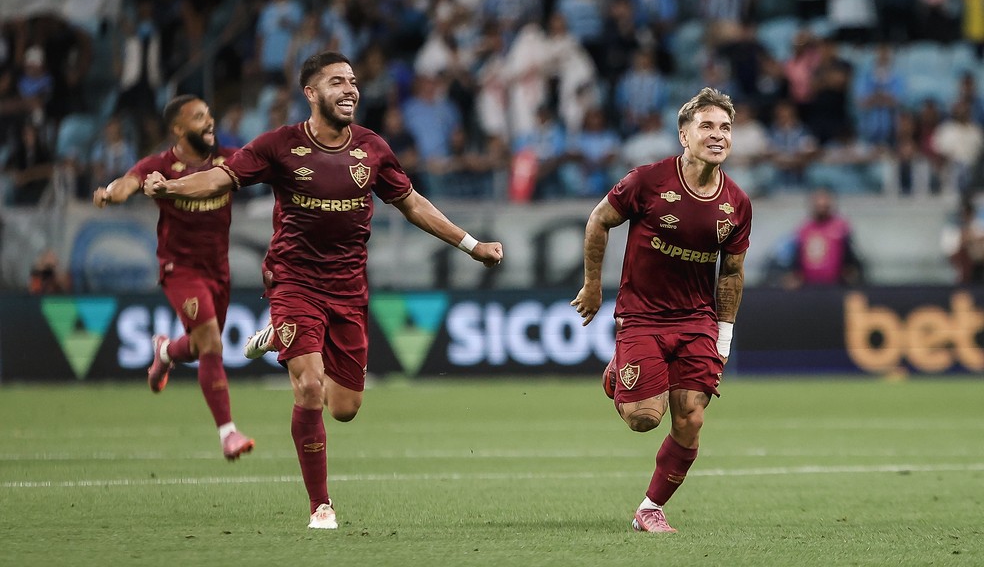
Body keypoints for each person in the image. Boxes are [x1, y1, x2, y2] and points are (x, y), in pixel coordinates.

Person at [143, 51, 504, 530]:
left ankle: (279, 337)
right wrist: (173, 187)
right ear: (311, 93)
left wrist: (472, 245)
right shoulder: (279, 145)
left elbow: (412, 204)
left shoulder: (372, 149)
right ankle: (321, 506)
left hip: (349, 290)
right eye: (337, 82)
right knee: (309, 387)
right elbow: (221, 178)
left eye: (353, 81)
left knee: (345, 408)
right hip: (293, 282)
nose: (350, 89)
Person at [570, 87, 751, 534]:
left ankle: (650, 508)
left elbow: (730, 274)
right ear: (683, 135)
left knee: (690, 416)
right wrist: (593, 285)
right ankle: (620, 373)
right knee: (643, 419)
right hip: (643, 316)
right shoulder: (647, 181)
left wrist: (724, 337)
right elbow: (599, 221)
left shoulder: (738, 204)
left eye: (725, 128)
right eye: (707, 126)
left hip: (697, 321)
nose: (718, 135)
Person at [92, 94, 254, 461]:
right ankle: (228, 433)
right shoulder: (160, 166)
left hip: (218, 270)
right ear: (178, 129)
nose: (209, 121)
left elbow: (267, 167)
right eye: (199, 117)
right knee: (212, 342)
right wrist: (110, 194)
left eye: (209, 114)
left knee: (199, 346)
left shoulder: (229, 159)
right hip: (180, 269)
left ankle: (165, 351)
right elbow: (128, 183)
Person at [784, 187, 863, 288]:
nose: (821, 206)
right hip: (807, 287)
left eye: (825, 203)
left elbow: (850, 256)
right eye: (818, 203)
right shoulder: (804, 229)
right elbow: (796, 259)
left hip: (836, 286)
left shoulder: (840, 227)